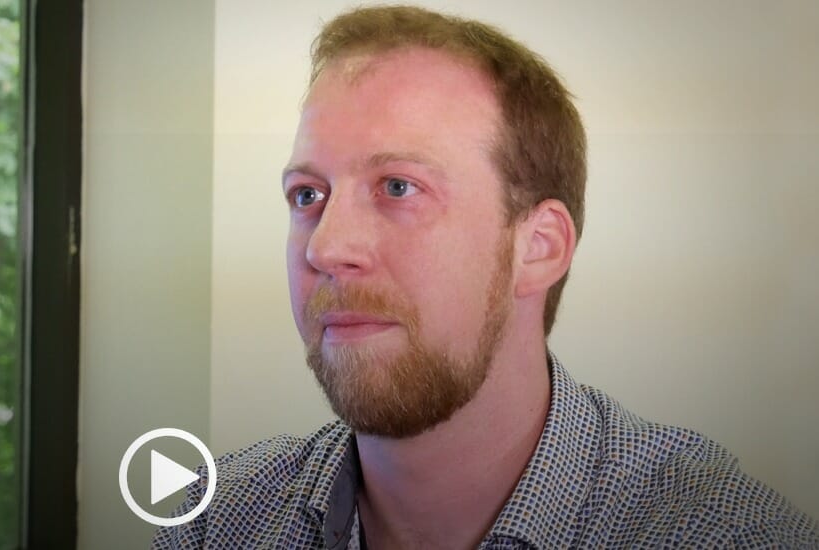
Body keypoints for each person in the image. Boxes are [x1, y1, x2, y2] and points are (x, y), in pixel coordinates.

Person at [153, 5, 818, 549]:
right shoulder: (217, 523)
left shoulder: (719, 534)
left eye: (397, 186)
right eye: (307, 195)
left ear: (539, 246)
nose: (326, 248)